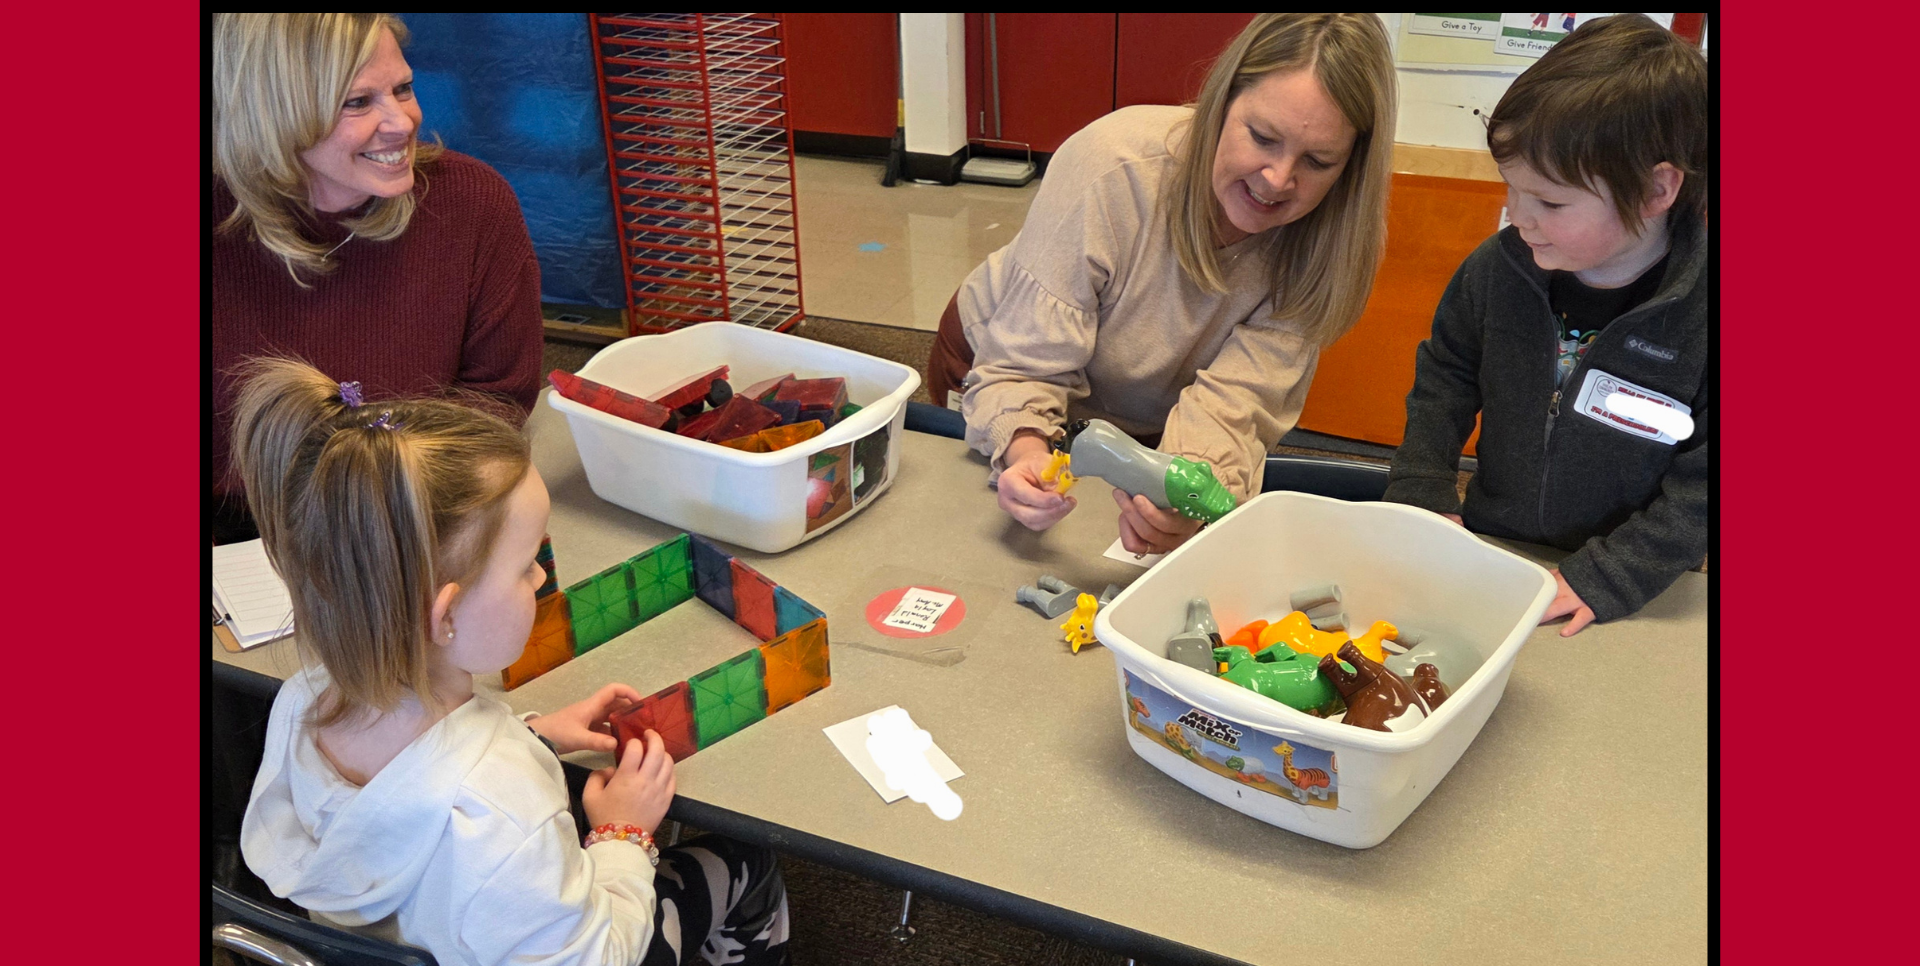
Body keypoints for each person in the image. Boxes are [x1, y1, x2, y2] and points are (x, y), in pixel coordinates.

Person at [232, 359, 790, 965]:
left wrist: (535, 737)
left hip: (418, 935)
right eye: (526, 564)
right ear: (445, 615)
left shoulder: (302, 701)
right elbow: (595, 956)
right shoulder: (502, 804)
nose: (542, 574)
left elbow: (411, 789)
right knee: (746, 863)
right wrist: (623, 836)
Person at [927, 13, 1397, 555]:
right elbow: (1022, 363)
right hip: (1000, 356)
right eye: (1263, 138)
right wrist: (1026, 446)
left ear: (1350, 166)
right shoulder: (1113, 165)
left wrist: (1185, 496)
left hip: (1145, 418)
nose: (1277, 180)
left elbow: (1234, 406)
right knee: (976, 548)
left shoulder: (1328, 245)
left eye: (1317, 161)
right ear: (1220, 105)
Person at [1382, 14, 1709, 636]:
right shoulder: (1497, 271)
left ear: (1655, 189)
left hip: (1632, 585)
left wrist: (1611, 576)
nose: (1518, 217)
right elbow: (1446, 378)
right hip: (1498, 548)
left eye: (1551, 202)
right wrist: (1422, 488)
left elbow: (1707, 483)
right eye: (1512, 189)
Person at [210, 13, 544, 544]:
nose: (403, 121)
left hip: (420, 507)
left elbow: (497, 399)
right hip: (240, 538)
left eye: (403, 89)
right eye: (359, 102)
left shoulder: (471, 204)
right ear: (272, 112)